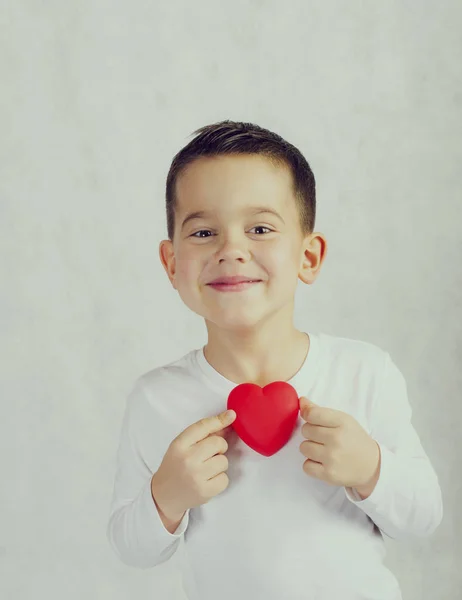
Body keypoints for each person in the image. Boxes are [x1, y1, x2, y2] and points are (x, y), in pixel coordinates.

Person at [106, 120, 443, 599]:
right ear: (171, 263)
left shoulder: (365, 372)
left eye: (260, 228)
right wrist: (166, 497)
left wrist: (371, 469)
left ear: (309, 256)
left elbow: (425, 516)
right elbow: (131, 547)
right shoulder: (156, 398)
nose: (231, 250)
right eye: (203, 232)